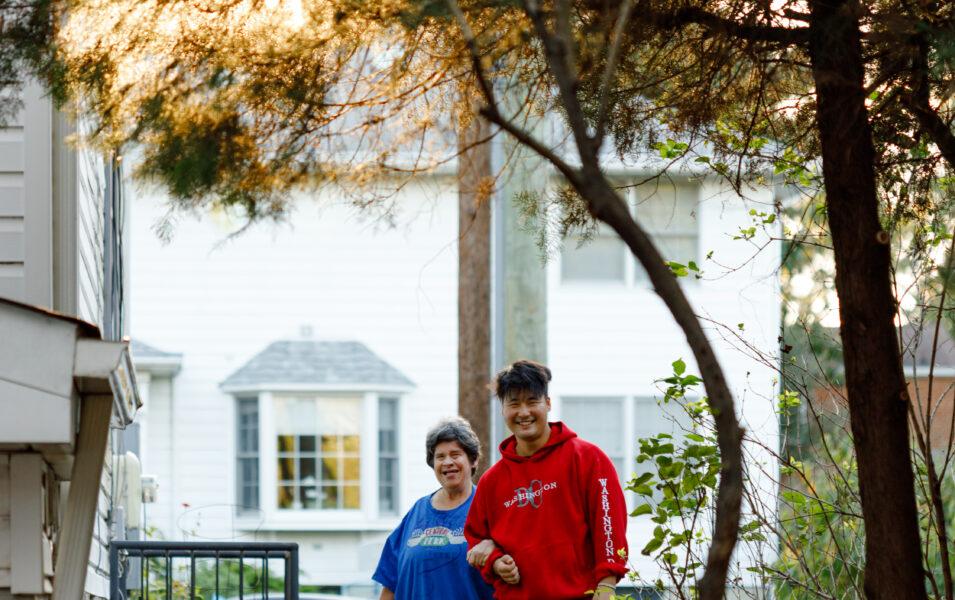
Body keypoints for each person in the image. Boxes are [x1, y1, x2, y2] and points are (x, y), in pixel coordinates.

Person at [464, 359, 628, 600]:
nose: (524, 412)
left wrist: (606, 586)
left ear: (548, 403)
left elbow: (609, 525)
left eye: (532, 401)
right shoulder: (492, 481)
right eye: (514, 404)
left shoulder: (587, 459)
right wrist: (495, 561)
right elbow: (476, 540)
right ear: (503, 410)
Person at [373, 416, 496, 600]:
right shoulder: (417, 512)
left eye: (455, 454)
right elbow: (390, 584)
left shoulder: (488, 508)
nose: (448, 462)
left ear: (473, 460)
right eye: (440, 457)